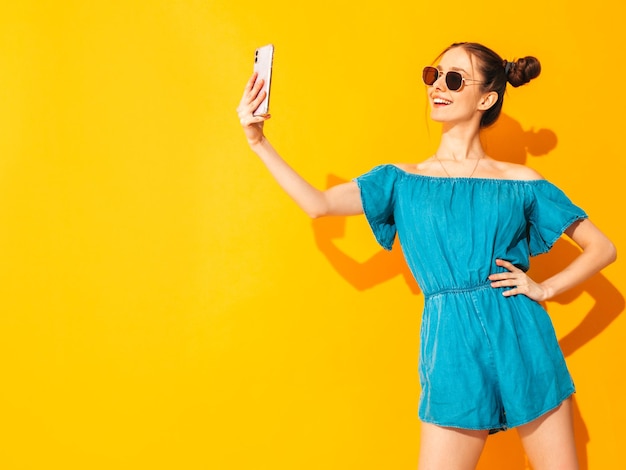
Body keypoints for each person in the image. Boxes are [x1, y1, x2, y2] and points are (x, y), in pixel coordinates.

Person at [236, 41, 617, 469]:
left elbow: (603, 248)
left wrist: (544, 287)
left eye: (454, 79)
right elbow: (318, 205)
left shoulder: (521, 181)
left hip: (522, 337)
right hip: (450, 345)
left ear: (487, 98)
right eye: (433, 76)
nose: (437, 87)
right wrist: (258, 141)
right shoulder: (401, 180)